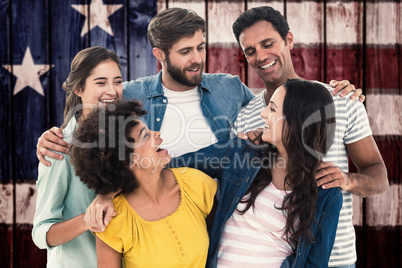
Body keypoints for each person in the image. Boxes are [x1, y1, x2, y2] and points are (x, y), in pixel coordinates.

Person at [36, 8, 361, 228]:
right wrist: (57, 134)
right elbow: (94, 121)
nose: (197, 60)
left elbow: (281, 108)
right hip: (153, 228)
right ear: (159, 55)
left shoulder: (230, 88)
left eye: (200, 47)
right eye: (185, 51)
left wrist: (335, 92)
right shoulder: (131, 94)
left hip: (221, 228)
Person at [230, 6, 388, 267]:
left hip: (335, 259)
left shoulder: (341, 101)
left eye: (268, 44)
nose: (261, 56)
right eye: (250, 51)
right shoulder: (247, 117)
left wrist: (347, 180)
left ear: (288, 40)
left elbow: (378, 176)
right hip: (273, 260)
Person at [171, 79, 342, 267]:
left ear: (296, 122)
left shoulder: (327, 192)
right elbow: (176, 167)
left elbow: (315, 263)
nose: (263, 114)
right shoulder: (241, 152)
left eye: (273, 109)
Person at [69, 100, 217, 267]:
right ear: (131, 161)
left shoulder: (197, 184)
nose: (157, 133)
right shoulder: (114, 220)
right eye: (145, 135)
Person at [31, 46, 124, 267]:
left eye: (118, 81)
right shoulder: (59, 147)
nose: (112, 91)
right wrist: (87, 219)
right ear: (79, 89)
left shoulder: (125, 140)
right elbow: (42, 232)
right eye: (101, 83)